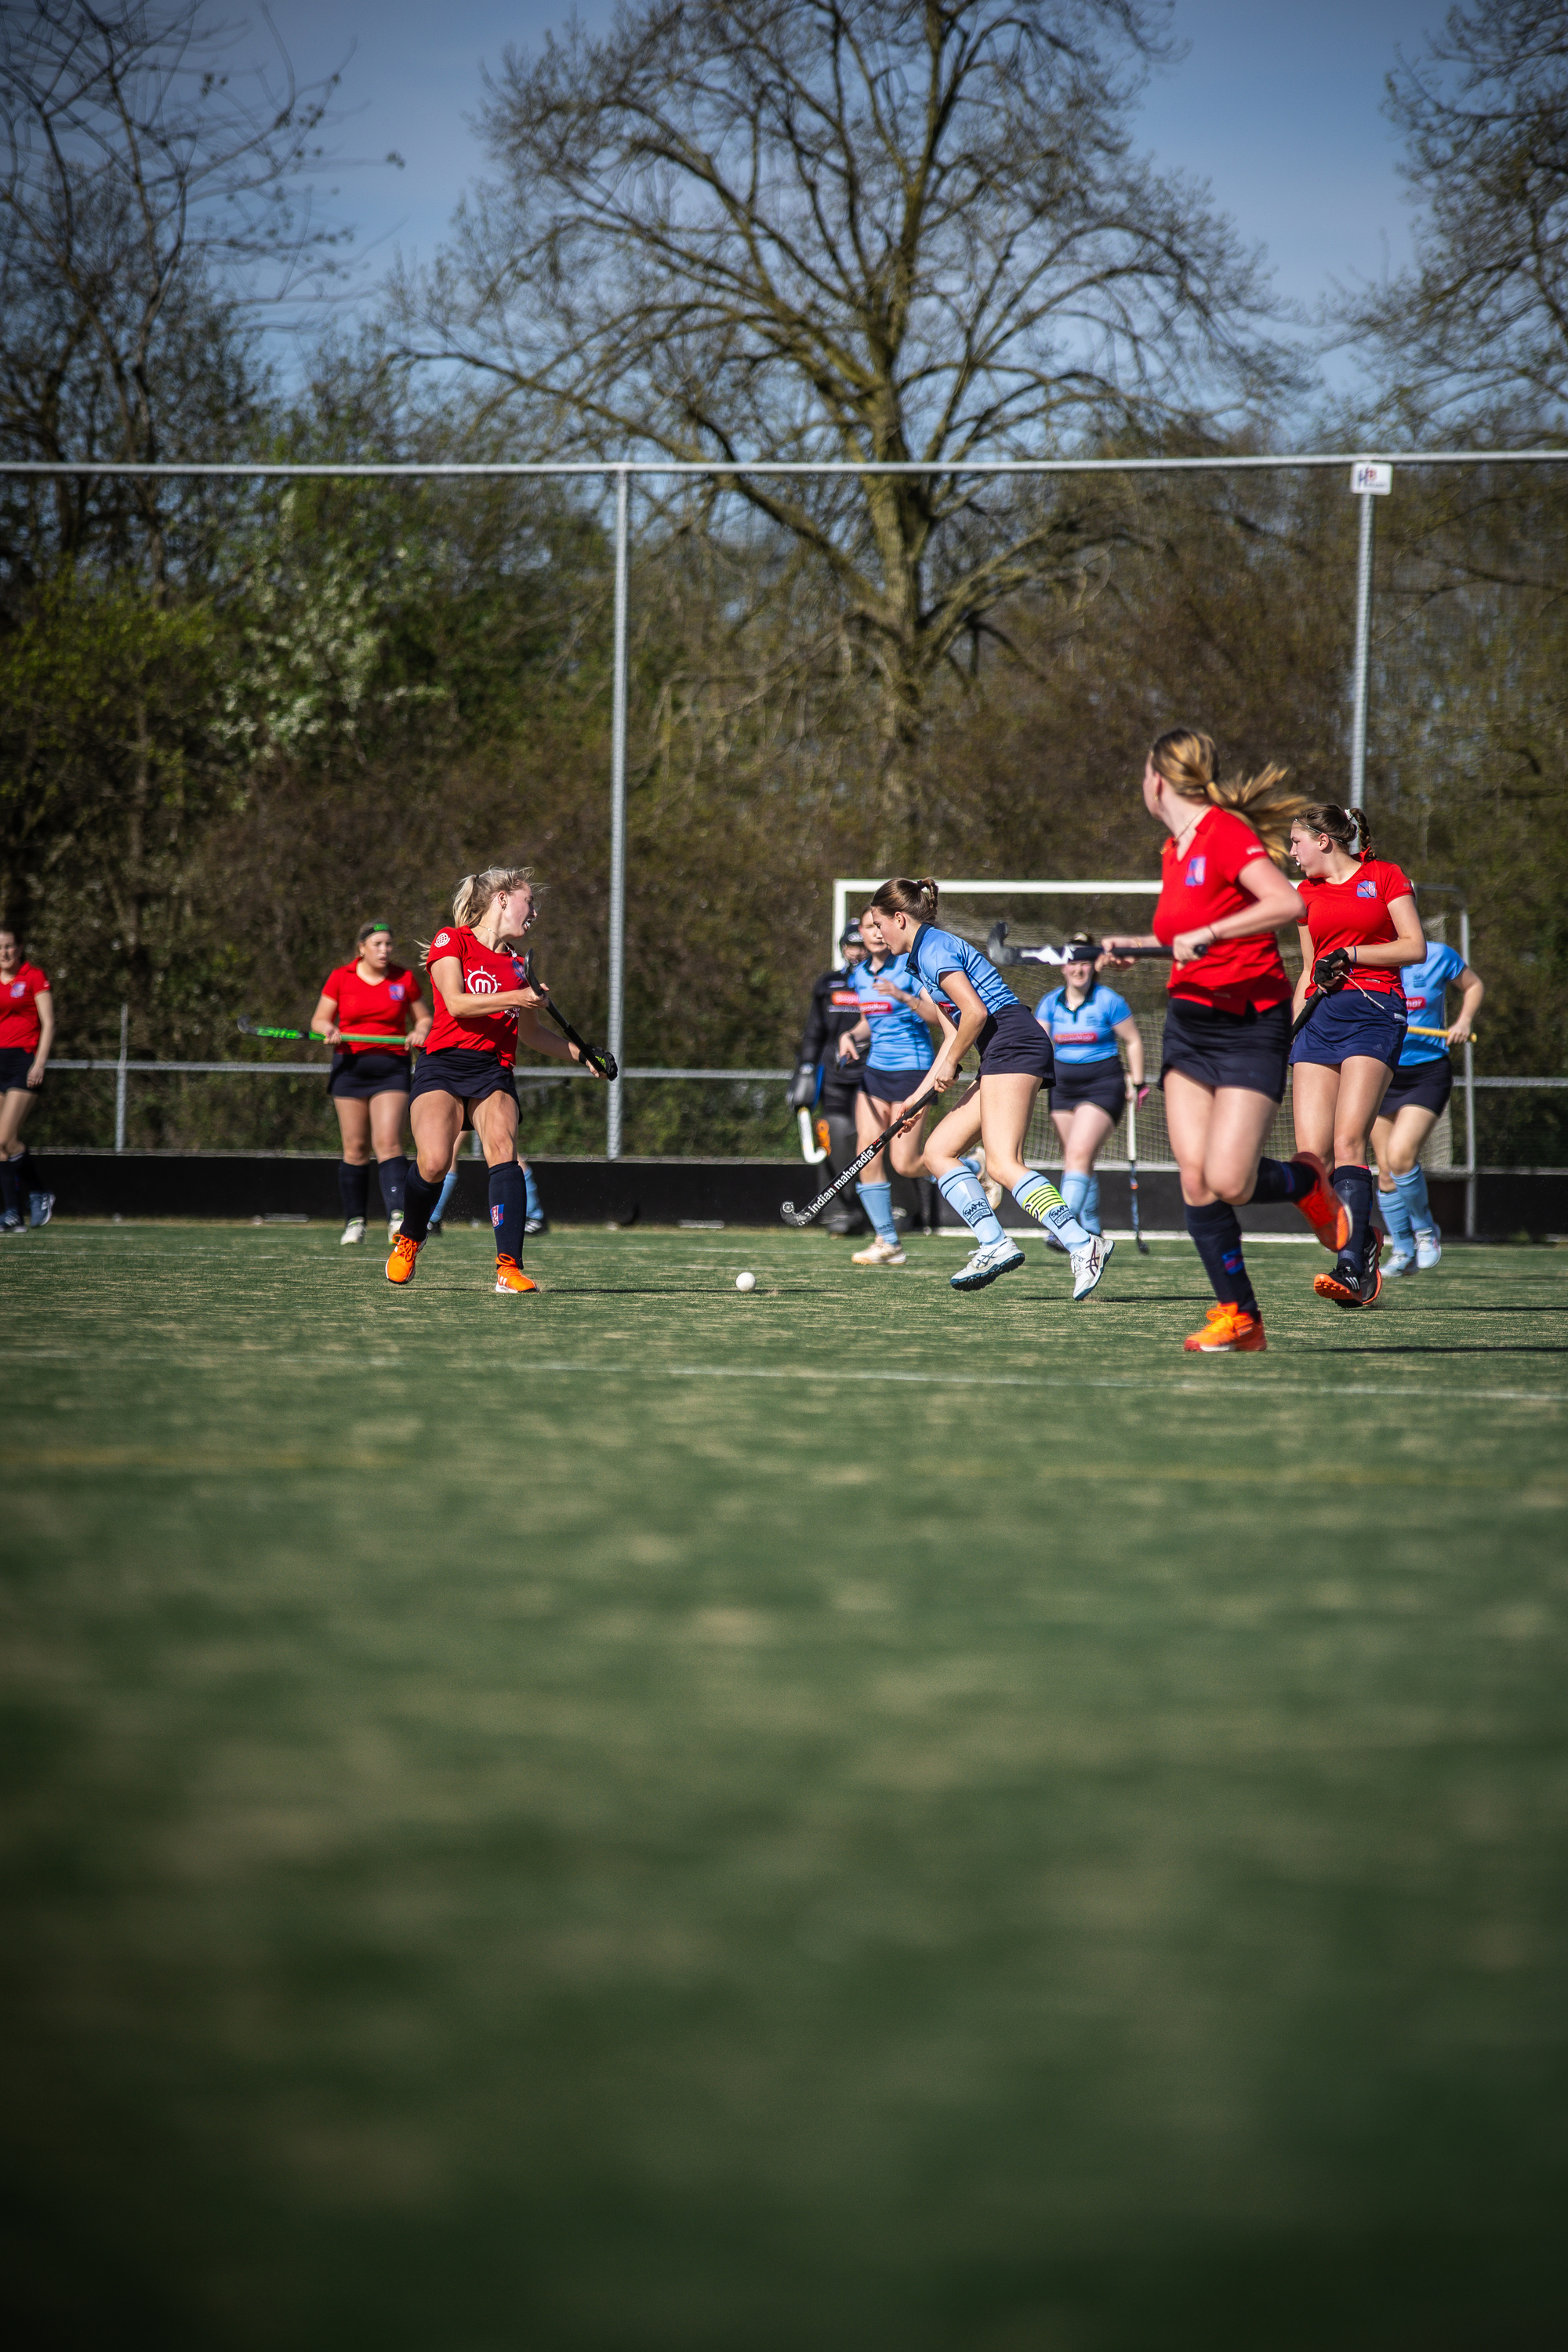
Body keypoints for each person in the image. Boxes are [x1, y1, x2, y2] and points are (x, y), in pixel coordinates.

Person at [1101, 730, 1349, 1356]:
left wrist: (1210, 932)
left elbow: (1287, 902)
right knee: (1195, 1178)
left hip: (1249, 1022)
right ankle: (1241, 1319)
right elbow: (1186, 937)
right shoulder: (1173, 848)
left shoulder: (1223, 833)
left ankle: (1305, 1183)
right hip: (1190, 1022)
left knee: (1232, 1179)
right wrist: (1137, 950)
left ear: (1158, 779)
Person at [865, 878, 1112, 1300]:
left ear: (899, 919)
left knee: (1002, 1164)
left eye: (879, 923)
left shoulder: (935, 948)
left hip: (1013, 1042)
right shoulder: (919, 961)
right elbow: (951, 1037)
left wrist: (948, 1065)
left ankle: (1083, 1242)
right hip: (999, 1050)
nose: (877, 933)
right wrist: (916, 1097)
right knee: (938, 1151)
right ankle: (994, 1244)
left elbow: (975, 1014)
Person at [385, 866, 601, 1293]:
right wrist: (518, 997)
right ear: (502, 898)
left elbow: (534, 1035)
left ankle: (509, 1267)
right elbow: (457, 1003)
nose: (534, 912)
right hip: (443, 1065)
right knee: (432, 1162)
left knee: (503, 1149)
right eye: (529, 901)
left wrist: (584, 1054)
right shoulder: (453, 940)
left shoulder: (520, 968)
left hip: (492, 1071)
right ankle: (410, 1237)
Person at [1289, 804, 1425, 1308]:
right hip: (1319, 1021)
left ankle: (1351, 1270)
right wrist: (1292, 1028)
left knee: (1349, 1141)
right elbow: (1308, 968)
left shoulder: (1384, 876)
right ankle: (1362, 1241)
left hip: (1374, 1011)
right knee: (1312, 1161)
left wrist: (1354, 954)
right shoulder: (1304, 896)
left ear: (1325, 841)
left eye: (1297, 842)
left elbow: (1415, 947)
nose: (1292, 853)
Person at [838, 902, 945, 1265]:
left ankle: (975, 1168)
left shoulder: (911, 966)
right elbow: (873, 1020)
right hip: (875, 1074)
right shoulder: (859, 976)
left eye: (880, 926)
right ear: (863, 934)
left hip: (913, 1074)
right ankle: (887, 1242)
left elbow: (935, 1016)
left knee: (906, 1163)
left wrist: (904, 996)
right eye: (869, 927)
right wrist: (851, 1035)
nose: (876, 932)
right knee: (866, 1155)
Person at [311, 924, 430, 1245]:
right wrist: (329, 1030)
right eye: (377, 943)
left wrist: (419, 1031)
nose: (385, 950)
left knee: (388, 1141)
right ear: (361, 948)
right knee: (355, 1148)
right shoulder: (341, 977)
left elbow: (424, 1018)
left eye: (389, 944)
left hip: (391, 1068)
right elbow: (320, 1019)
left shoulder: (403, 979)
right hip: (349, 1069)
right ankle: (355, 1222)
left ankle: (397, 1217)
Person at [1371, 933, 1483, 1276]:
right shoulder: (1368, 958)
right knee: (1386, 1171)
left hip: (1426, 1072)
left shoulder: (1437, 955)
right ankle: (1403, 1250)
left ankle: (1425, 1231)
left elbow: (1474, 985)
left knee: (1402, 1155)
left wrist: (1463, 1021)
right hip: (1379, 1071)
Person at [1035, 935, 1146, 1238]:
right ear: (1063, 967)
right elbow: (1038, 1046)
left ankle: (1063, 1227)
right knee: (1076, 1158)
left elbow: (1133, 1040)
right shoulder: (1050, 1003)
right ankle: (1092, 1228)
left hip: (1102, 1085)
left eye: (1085, 962)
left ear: (1094, 966)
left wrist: (1138, 1083)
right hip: (1062, 1088)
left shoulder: (1108, 1000)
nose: (1078, 969)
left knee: (1079, 1152)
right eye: (1073, 962)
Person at [788, 920, 873, 1236]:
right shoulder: (828, 985)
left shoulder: (882, 982)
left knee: (871, 1140)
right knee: (835, 1137)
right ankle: (839, 1210)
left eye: (861, 945)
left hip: (873, 1073)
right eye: (850, 945)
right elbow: (814, 1032)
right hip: (835, 1076)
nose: (855, 951)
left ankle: (886, 1212)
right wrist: (806, 1069)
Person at [0, 924, 54, 1233]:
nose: (4, 953)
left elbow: (48, 1023)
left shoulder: (33, 977)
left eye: (9, 946)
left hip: (23, 1061)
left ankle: (40, 1192)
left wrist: (40, 1063)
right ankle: (12, 1213)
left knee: (6, 1138)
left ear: (19, 948)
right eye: (0, 948)